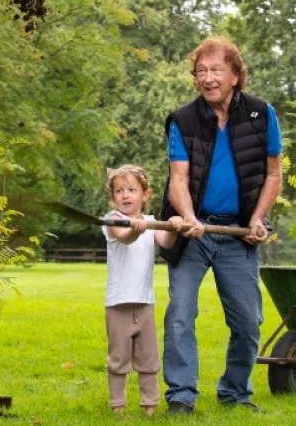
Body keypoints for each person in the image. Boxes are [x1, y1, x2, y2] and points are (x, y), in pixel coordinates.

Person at [158, 36, 282, 415]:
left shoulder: (263, 115)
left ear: (235, 75)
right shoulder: (182, 119)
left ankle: (235, 393)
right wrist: (189, 218)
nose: (208, 78)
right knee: (180, 312)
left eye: (216, 70)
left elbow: (273, 174)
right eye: (201, 71)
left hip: (238, 235)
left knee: (247, 321)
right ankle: (181, 395)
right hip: (191, 233)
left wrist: (258, 218)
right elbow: (178, 179)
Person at [101, 165, 183, 416]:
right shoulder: (112, 219)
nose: (125, 195)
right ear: (113, 197)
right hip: (118, 304)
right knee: (118, 360)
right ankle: (118, 406)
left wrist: (173, 227)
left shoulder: (150, 222)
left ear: (145, 195)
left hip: (144, 303)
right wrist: (135, 230)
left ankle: (149, 406)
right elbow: (124, 237)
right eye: (119, 191)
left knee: (148, 359)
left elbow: (166, 243)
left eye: (132, 190)